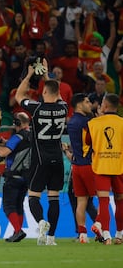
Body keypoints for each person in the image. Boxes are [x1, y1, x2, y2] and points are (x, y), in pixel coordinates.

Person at [15, 59, 68, 246]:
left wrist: (29, 74)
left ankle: (41, 222)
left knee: (34, 196)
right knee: (53, 198)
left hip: (40, 160)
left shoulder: (37, 109)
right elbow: (56, 91)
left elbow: (19, 95)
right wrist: (46, 74)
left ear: (44, 91)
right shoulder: (64, 108)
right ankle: (52, 238)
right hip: (57, 159)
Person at [87, 93, 123, 245]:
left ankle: (106, 235)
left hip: (101, 166)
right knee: (120, 201)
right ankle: (119, 235)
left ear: (105, 106)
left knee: (103, 202)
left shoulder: (93, 123)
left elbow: (88, 142)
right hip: (119, 167)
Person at [64, 93, 96, 243]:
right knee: (102, 199)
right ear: (79, 105)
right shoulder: (89, 122)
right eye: (87, 102)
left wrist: (66, 151)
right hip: (90, 165)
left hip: (76, 167)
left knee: (81, 202)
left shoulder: (71, 123)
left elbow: (78, 146)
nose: (90, 104)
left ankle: (82, 234)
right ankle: (104, 230)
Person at [0, 112, 30, 243]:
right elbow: (20, 149)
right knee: (19, 205)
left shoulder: (17, 137)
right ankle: (17, 232)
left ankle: (18, 230)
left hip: (13, 176)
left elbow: (3, 153)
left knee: (9, 206)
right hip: (26, 177)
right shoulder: (32, 136)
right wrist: (7, 142)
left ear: (18, 123)